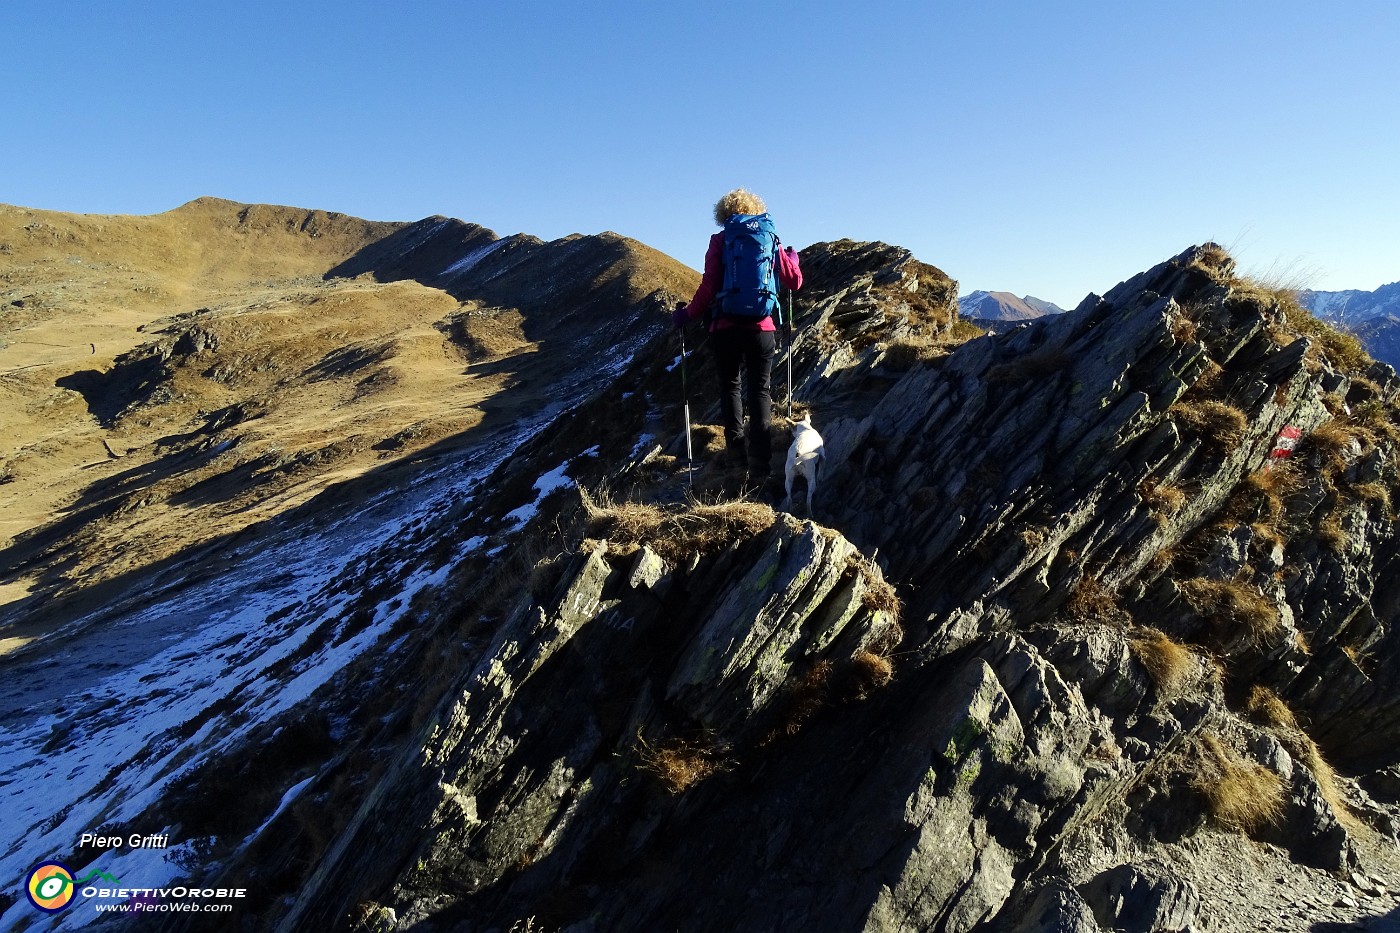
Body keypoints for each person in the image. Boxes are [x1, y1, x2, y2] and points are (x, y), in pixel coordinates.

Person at [673, 188, 803, 491]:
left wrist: (686, 316)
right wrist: (791, 259)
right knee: (760, 392)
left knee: (730, 388)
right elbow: (794, 281)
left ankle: (736, 459)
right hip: (762, 329)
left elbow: (708, 289)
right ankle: (761, 465)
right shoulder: (770, 238)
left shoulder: (720, 241)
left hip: (725, 329)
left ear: (723, 214)